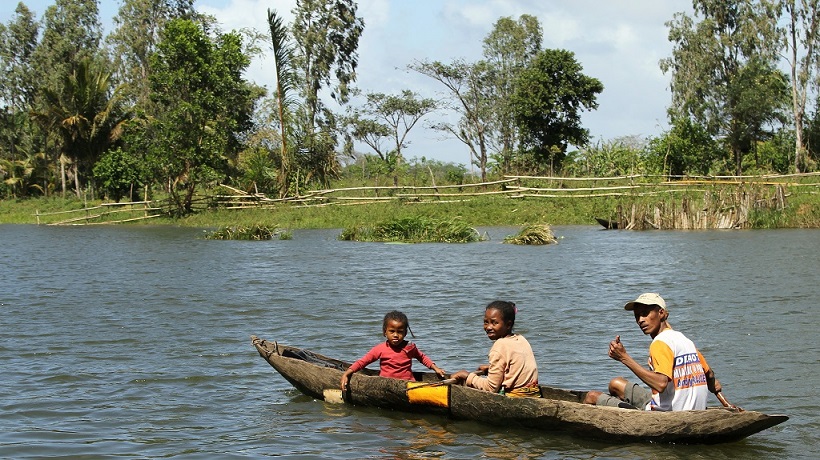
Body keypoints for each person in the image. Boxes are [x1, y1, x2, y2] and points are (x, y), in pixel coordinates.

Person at [583, 293, 741, 411]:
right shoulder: (684, 340)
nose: (640, 320)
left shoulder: (659, 343)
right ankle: (622, 408)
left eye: (645, 313)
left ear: (662, 313)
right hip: (687, 408)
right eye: (637, 316)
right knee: (615, 384)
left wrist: (624, 358)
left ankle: (623, 415)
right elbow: (711, 377)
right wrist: (727, 405)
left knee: (591, 397)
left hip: (666, 414)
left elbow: (660, 384)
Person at [451, 300, 540, 397]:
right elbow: (517, 368)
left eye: (494, 323)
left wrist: (467, 376)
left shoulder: (500, 345)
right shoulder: (521, 339)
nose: (488, 327)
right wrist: (491, 369)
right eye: (486, 322)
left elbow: (491, 388)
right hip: (534, 394)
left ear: (508, 325)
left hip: (515, 396)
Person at [340, 310, 445, 390]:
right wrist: (347, 373)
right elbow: (363, 362)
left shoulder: (410, 347)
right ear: (385, 332)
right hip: (386, 386)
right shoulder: (380, 349)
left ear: (405, 333)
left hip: (408, 385)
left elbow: (422, 358)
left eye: (399, 332)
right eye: (392, 331)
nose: (395, 335)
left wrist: (436, 369)